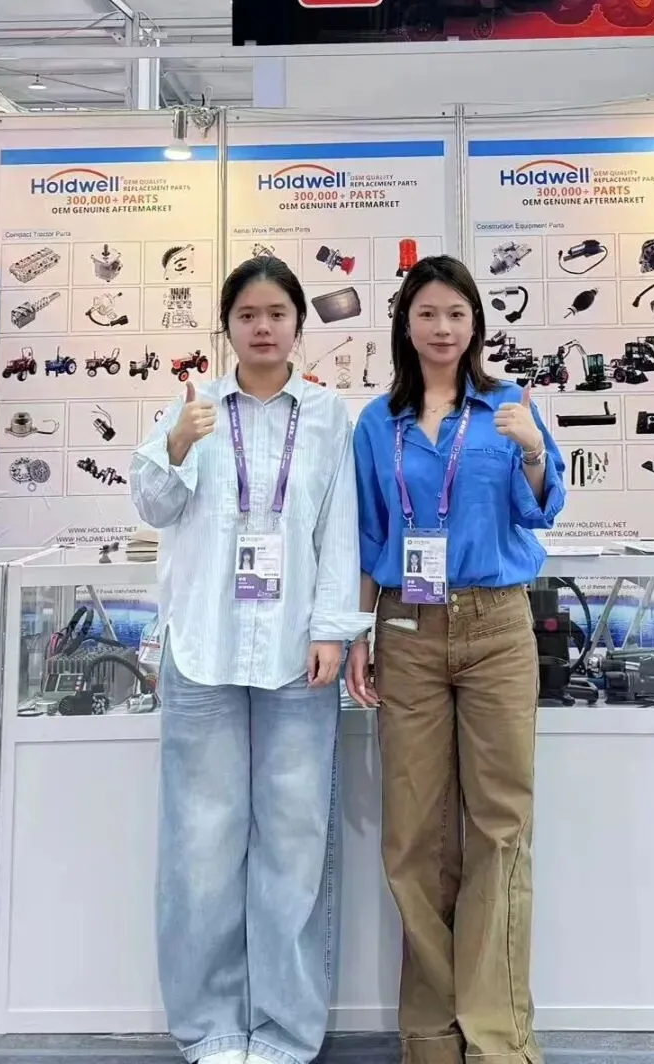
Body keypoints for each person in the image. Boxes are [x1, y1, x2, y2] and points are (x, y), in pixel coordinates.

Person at [131, 256, 371, 1064]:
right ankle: (211, 1026)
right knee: (201, 843)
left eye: (276, 313)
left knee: (294, 842)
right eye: (247, 315)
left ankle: (284, 1029)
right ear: (228, 326)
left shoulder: (330, 416)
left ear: (298, 323)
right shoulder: (193, 408)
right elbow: (154, 506)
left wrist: (335, 630)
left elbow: (340, 530)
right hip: (205, 646)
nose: (262, 327)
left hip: (299, 654)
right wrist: (175, 443)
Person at [346, 255, 565, 1064]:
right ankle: (434, 1035)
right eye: (428, 314)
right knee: (414, 837)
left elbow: (539, 510)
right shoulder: (378, 424)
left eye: (457, 314)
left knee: (499, 828)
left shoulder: (509, 408)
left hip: (497, 627)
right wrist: (360, 633)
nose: (443, 328)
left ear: (476, 325)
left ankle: (498, 1035)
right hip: (406, 629)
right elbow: (370, 537)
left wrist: (533, 452)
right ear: (406, 325)